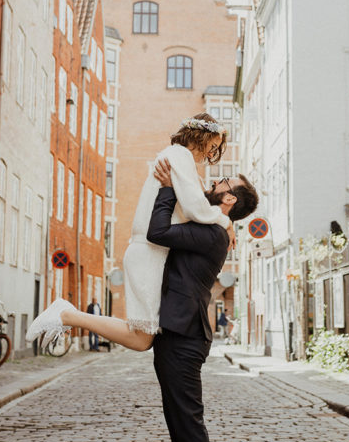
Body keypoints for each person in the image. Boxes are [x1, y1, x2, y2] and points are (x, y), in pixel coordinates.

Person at [26, 114, 251, 350]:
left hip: (150, 253)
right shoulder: (179, 156)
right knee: (141, 338)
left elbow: (199, 199)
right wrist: (224, 222)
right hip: (149, 253)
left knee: (143, 337)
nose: (210, 155)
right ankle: (67, 316)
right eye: (212, 147)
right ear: (201, 136)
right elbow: (196, 207)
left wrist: (227, 220)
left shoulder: (178, 158)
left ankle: (69, 316)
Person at [143, 158, 258, 442]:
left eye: (223, 181)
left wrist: (165, 189)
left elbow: (157, 232)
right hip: (176, 329)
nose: (215, 181)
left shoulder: (213, 233)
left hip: (185, 333)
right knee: (178, 420)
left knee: (188, 422)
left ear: (228, 200)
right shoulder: (215, 226)